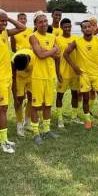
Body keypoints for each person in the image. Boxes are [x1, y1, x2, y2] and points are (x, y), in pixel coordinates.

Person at [0, 9, 26, 153]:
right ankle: (3, 142)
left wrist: (7, 17)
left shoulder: (5, 32)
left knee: (3, 108)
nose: (4, 23)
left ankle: (0, 138)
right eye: (1, 20)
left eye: (5, 21)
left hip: (7, 76)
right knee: (1, 109)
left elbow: (22, 28)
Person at [64, 20, 98, 129]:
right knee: (85, 99)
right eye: (85, 27)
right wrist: (75, 67)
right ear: (81, 30)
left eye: (89, 27)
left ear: (92, 28)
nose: (87, 29)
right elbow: (65, 53)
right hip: (84, 75)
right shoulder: (77, 41)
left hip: (96, 74)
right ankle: (88, 120)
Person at [29, 11, 61, 145]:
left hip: (50, 75)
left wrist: (46, 51)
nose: (43, 24)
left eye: (45, 21)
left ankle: (46, 130)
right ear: (35, 24)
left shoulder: (52, 36)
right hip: (37, 76)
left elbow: (58, 55)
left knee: (48, 104)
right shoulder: (33, 36)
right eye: (40, 22)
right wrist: (52, 50)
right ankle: (36, 132)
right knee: (36, 105)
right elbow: (40, 55)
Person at [55, 18, 79, 128]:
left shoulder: (76, 39)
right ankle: (60, 118)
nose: (67, 29)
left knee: (75, 94)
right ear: (61, 27)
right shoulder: (57, 39)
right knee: (60, 96)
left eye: (69, 26)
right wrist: (57, 72)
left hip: (74, 73)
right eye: (65, 27)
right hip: (63, 72)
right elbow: (56, 58)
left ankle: (74, 117)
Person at [12, 48, 35, 137]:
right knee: (19, 101)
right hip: (19, 79)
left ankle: (27, 122)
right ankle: (19, 125)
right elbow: (13, 80)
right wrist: (14, 98)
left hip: (31, 77)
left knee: (31, 98)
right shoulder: (13, 62)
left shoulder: (35, 57)